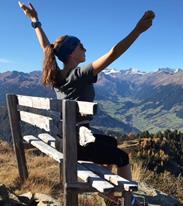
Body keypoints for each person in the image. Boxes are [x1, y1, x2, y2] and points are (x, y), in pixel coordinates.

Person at [18, 1, 155, 205]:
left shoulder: (56, 76)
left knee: (110, 143)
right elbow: (113, 54)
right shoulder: (79, 74)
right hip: (78, 145)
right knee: (122, 157)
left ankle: (109, 195)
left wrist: (35, 21)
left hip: (65, 141)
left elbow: (47, 48)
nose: (85, 48)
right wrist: (137, 31)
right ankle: (129, 200)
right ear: (72, 52)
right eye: (81, 45)